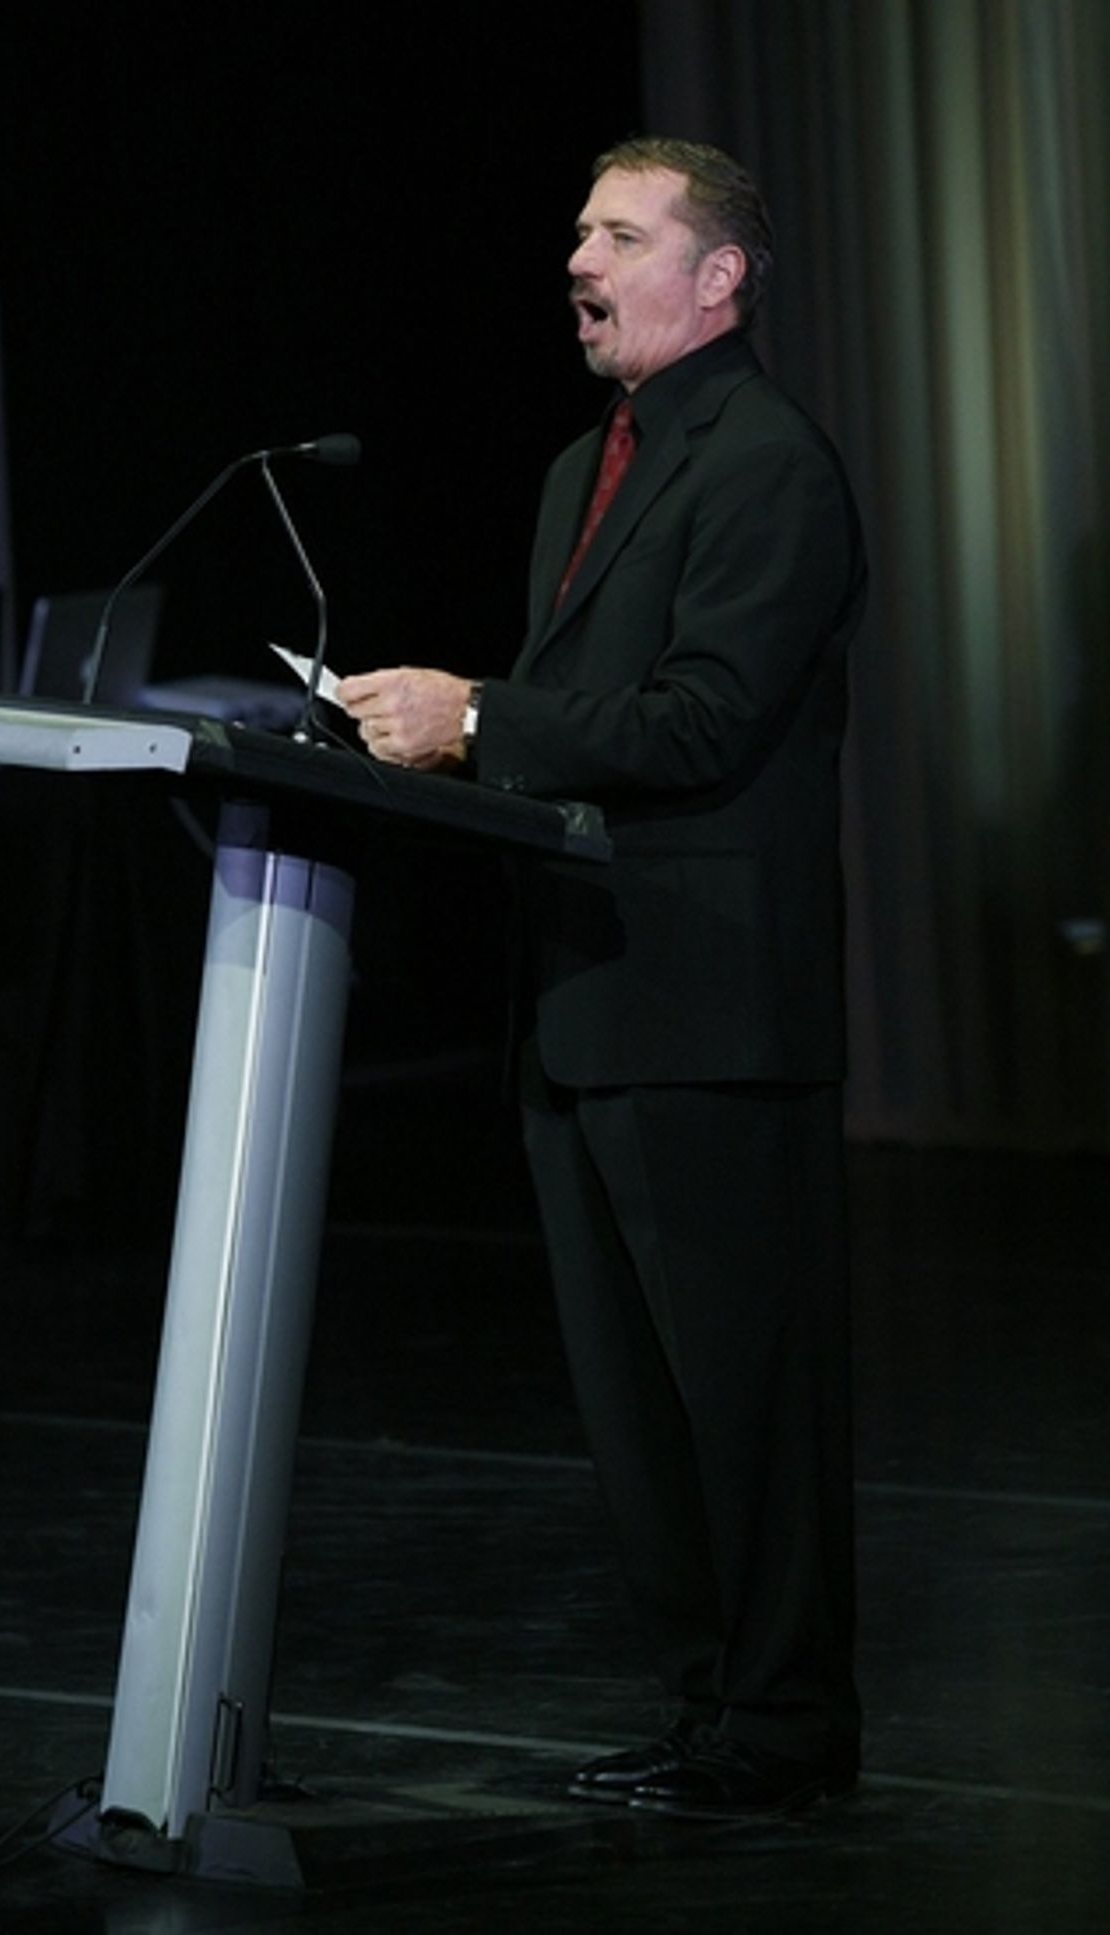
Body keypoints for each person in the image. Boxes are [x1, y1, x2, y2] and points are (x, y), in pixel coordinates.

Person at [339, 135, 866, 1820]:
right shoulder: (589, 467)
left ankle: (783, 1733)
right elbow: (591, 731)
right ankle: (707, 1713)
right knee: (642, 1416)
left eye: (622, 235)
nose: (580, 258)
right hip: (587, 1001)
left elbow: (707, 720)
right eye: (578, 229)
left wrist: (479, 715)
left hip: (710, 1008)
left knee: (746, 1406)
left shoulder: (768, 463)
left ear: (718, 278)